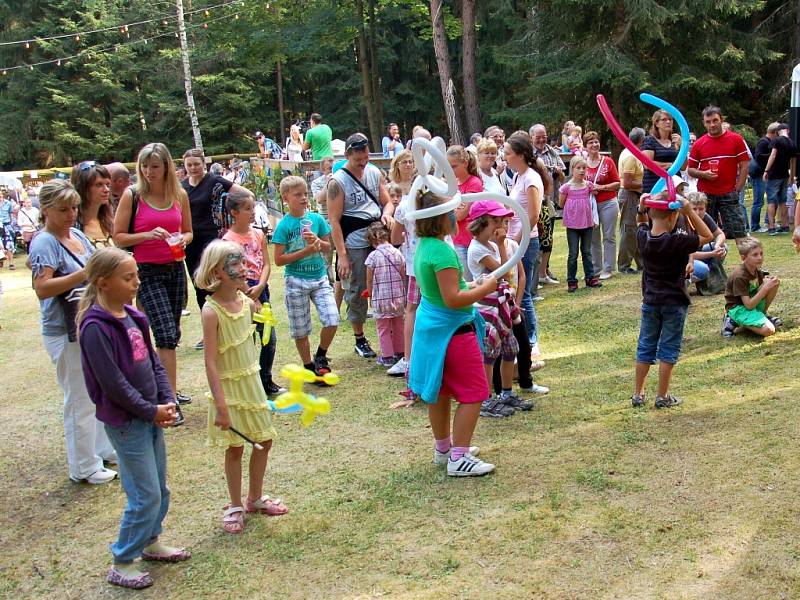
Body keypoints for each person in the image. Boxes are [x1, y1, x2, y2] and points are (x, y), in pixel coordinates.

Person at [76, 247, 189, 590]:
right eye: (128, 278)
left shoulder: (134, 316)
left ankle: (151, 542)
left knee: (160, 487)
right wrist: (148, 409)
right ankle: (123, 559)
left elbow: (153, 362)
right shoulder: (96, 328)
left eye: (136, 275)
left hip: (150, 414)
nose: (136, 282)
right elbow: (113, 384)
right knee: (145, 494)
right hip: (127, 422)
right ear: (103, 283)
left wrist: (166, 398)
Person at [29, 179, 117, 484]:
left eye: (74, 208)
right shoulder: (44, 243)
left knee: (97, 392)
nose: (70, 214)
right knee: (79, 398)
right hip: (65, 330)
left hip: (88, 325)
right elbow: (42, 288)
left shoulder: (77, 234)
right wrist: (84, 273)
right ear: (46, 210)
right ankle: (84, 465)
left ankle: (103, 449)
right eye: (63, 209)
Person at [197, 240, 287, 534]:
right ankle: (235, 504)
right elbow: (211, 361)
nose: (244, 268)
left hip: (251, 382)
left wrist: (258, 305)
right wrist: (221, 405)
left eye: (244, 262)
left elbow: (257, 332)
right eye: (236, 264)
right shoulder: (211, 312)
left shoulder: (246, 304)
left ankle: (255, 498)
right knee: (235, 447)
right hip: (229, 388)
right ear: (218, 272)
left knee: (264, 440)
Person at [407, 191, 498, 476]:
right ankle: (458, 458)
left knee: (442, 392)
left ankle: (444, 448)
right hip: (453, 331)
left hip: (435, 330)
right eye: (451, 211)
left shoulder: (426, 245)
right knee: (475, 392)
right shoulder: (443, 250)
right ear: (440, 218)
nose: (457, 214)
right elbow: (453, 298)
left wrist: (473, 284)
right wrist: (485, 289)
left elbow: (448, 288)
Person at [113, 143, 193, 420]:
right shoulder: (132, 195)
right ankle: (169, 401)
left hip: (175, 268)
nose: (149, 172)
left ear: (166, 167)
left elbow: (188, 231)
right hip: (146, 272)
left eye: (155, 166)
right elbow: (119, 237)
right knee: (166, 335)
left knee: (171, 334)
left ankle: (165, 387)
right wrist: (147, 236)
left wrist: (183, 239)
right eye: (144, 166)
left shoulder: (178, 194)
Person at [631, 191, 712, 409]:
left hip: (650, 302)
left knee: (645, 345)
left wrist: (641, 207)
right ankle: (662, 396)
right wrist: (688, 210)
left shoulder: (644, 237)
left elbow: (639, 221)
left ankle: (638, 394)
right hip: (674, 302)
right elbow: (707, 237)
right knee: (668, 348)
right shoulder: (676, 241)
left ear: (650, 213)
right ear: (673, 217)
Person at [466, 201, 541, 417]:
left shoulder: (489, 245)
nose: (500, 226)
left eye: (502, 220)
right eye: (495, 221)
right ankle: (486, 399)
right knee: (489, 354)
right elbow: (505, 273)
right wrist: (501, 245)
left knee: (510, 349)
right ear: (481, 223)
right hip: (487, 309)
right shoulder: (478, 249)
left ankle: (506, 393)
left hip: (502, 305)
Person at [327, 132, 394, 359]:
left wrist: (387, 215)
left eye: (365, 155)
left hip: (377, 235)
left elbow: (387, 203)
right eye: (358, 158)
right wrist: (342, 255)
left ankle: (388, 328)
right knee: (356, 287)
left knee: (386, 281)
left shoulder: (374, 173)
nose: (363, 161)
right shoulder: (338, 181)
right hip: (354, 240)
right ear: (348, 155)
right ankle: (359, 337)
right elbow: (334, 220)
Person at [272, 176, 339, 377]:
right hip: (295, 280)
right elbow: (279, 260)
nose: (303, 198)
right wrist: (306, 251)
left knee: (332, 318)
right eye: (297, 195)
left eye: (305, 194)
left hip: (319, 278)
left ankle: (321, 355)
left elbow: (328, 247)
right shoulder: (284, 226)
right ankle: (309, 365)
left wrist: (318, 242)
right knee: (300, 329)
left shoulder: (316, 219)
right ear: (285, 198)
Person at [222, 191, 282, 395]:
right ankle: (249, 383)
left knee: (269, 337)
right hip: (241, 292)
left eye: (253, 208)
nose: (252, 212)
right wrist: (248, 293)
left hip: (260, 289)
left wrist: (260, 286)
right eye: (247, 209)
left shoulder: (258, 234)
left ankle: (266, 379)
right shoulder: (228, 240)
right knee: (247, 338)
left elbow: (266, 263)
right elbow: (230, 272)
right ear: (234, 212)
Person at [181, 148, 248, 332]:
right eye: (189, 165)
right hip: (190, 242)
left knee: (218, 281)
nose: (193, 168)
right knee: (199, 284)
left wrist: (233, 216)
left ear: (204, 164)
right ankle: (210, 329)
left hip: (211, 240)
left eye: (197, 164)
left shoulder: (214, 180)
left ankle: (228, 323)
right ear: (185, 166)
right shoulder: (182, 187)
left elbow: (243, 194)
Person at [504, 131, 546, 353]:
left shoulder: (531, 178)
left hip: (526, 243)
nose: (505, 157)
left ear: (520, 155)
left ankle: (532, 342)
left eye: (508, 153)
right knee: (516, 290)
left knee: (525, 292)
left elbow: (533, 215)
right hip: (515, 240)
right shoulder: (519, 176)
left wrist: (516, 242)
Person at [687, 106, 750, 242]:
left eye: (715, 120)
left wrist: (738, 188)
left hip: (729, 192)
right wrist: (704, 174)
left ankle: (749, 263)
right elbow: (690, 169)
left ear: (721, 120)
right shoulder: (699, 144)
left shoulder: (736, 139)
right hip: (706, 195)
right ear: (704, 123)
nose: (712, 124)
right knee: (706, 232)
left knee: (739, 232)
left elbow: (744, 165)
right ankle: (709, 262)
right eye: (708, 122)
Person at [721, 237, 781, 338]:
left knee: (774, 283)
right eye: (755, 255)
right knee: (769, 330)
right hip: (739, 308)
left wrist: (767, 284)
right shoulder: (739, 276)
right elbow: (748, 305)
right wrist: (765, 288)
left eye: (761, 253)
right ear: (743, 258)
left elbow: (757, 291)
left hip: (751, 302)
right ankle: (731, 319)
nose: (760, 257)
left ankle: (761, 314)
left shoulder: (756, 269)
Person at [364, 222, 406, 367]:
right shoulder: (398, 253)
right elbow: (402, 274)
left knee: (383, 328)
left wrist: (370, 295)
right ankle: (400, 352)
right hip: (398, 297)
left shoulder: (372, 256)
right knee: (399, 326)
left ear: (372, 241)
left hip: (381, 299)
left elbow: (369, 279)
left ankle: (387, 356)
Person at [531, 124, 565, 285]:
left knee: (547, 237)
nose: (542, 139)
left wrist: (559, 173)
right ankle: (536, 274)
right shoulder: (527, 153)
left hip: (548, 201)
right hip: (533, 201)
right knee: (536, 238)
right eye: (538, 136)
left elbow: (563, 177)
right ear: (531, 137)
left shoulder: (552, 152)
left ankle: (544, 271)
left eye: (544, 136)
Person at [584, 131, 621, 279]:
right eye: (591, 142)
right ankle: (595, 268)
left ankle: (608, 268)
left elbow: (618, 183)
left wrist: (601, 188)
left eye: (596, 141)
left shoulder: (608, 162)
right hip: (590, 205)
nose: (594, 144)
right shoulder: (582, 163)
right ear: (585, 146)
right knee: (593, 237)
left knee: (609, 236)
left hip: (608, 203)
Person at [559, 157, 598, 292]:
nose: (582, 171)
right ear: (572, 169)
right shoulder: (566, 188)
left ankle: (590, 277)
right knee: (573, 253)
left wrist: (594, 219)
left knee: (587, 252)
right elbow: (561, 203)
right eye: (578, 168)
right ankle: (571, 280)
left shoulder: (588, 186)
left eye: (584, 168)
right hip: (573, 225)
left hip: (587, 223)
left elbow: (593, 203)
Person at [447, 145, 484, 281]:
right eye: (449, 166)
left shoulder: (474, 183)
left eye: (454, 166)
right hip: (457, 239)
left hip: (469, 239)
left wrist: (451, 208)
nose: (450, 170)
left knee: (470, 281)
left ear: (465, 163)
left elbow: (459, 215)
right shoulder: (454, 185)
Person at [686, 192, 728, 294]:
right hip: (684, 258)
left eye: (701, 209)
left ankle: (710, 283)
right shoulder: (683, 220)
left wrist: (717, 246)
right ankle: (681, 285)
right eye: (694, 209)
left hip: (697, 254)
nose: (698, 212)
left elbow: (720, 234)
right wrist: (712, 254)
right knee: (702, 270)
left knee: (723, 247)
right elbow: (688, 254)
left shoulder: (705, 217)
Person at [617, 127, 646, 274]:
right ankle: (624, 266)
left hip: (634, 195)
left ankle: (641, 263)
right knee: (629, 230)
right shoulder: (630, 156)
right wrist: (645, 183)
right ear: (642, 140)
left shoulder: (633, 153)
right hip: (629, 195)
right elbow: (627, 183)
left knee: (636, 230)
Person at [763, 124, 796, 235]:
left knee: (771, 201)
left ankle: (771, 227)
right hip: (785, 175)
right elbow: (793, 162)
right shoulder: (792, 143)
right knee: (783, 200)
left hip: (774, 175)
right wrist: (792, 177)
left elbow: (772, 155)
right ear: (788, 131)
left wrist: (766, 170)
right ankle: (785, 225)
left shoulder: (776, 141)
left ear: (777, 132)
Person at [72, 161, 114, 249]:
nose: (106, 190)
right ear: (83, 188)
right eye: (99, 185)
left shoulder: (108, 220)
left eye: (107, 184)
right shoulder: (72, 225)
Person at [641, 110, 682, 196]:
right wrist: (672, 165)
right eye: (664, 119)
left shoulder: (675, 140)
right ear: (656, 123)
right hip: (655, 186)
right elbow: (648, 164)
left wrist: (682, 146)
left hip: (674, 185)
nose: (668, 122)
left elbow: (683, 166)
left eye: (670, 119)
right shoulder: (650, 140)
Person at [749, 123, 779, 232]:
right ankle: (755, 226)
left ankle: (768, 222)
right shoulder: (763, 142)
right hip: (759, 175)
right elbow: (758, 156)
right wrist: (773, 154)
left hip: (766, 175)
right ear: (775, 132)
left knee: (772, 199)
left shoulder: (770, 142)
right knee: (758, 201)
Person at [0, 190, 18, 269]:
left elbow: (11, 215)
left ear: (2, 196)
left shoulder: (8, 203)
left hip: (6, 225)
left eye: (0, 196)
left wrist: (10, 226)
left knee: (9, 244)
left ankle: (11, 263)